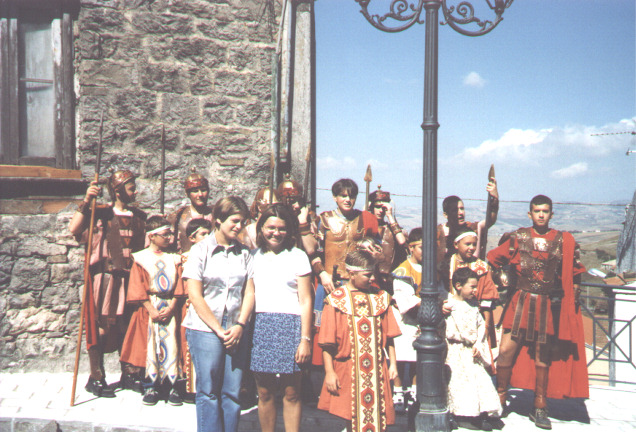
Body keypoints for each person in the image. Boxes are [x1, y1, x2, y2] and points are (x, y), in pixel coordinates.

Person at [487, 195, 588, 430]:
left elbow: (574, 271)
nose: (541, 215)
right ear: (529, 214)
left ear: (551, 214)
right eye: (536, 211)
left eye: (545, 211)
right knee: (505, 351)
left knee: (543, 356)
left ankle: (540, 405)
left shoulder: (563, 240)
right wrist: (502, 279)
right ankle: (500, 397)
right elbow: (493, 259)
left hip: (547, 304)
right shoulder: (517, 238)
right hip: (519, 301)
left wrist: (573, 292)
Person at [69, 169, 146, 397]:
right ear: (119, 190)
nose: (136, 191)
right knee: (102, 328)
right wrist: (87, 200)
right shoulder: (100, 214)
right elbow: (74, 229)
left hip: (131, 279)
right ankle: (96, 376)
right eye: (131, 187)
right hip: (107, 279)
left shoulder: (139, 217)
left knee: (127, 325)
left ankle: (129, 373)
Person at [182, 196, 255, 432]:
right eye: (234, 221)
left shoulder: (245, 253)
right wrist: (217, 329)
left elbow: (249, 293)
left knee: (232, 392)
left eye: (242, 222)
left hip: (235, 327)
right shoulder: (199, 251)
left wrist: (240, 325)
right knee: (208, 390)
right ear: (218, 220)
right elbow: (194, 295)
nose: (239, 226)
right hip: (205, 328)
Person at [318, 250, 400, 432]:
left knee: (379, 417)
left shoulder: (380, 298)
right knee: (352, 415)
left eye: (372, 274)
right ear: (352, 274)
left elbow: (390, 337)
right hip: (347, 368)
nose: (371, 278)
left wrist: (393, 364)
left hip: (377, 369)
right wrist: (329, 372)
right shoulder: (336, 301)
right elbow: (326, 343)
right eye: (367, 275)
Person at [250, 203, 313, 432]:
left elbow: (306, 300)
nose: (276, 233)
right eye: (271, 227)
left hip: (291, 325)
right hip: (261, 325)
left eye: (282, 228)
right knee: (265, 392)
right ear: (261, 228)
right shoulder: (252, 256)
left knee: (291, 392)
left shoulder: (297, 256)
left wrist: (305, 339)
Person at [310, 178, 378, 367]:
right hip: (330, 283)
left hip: (356, 284)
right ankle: (321, 373)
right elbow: (314, 253)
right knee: (324, 330)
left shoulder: (364, 219)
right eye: (343, 196)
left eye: (352, 196)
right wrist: (322, 274)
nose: (348, 200)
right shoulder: (324, 219)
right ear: (335, 197)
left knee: (352, 330)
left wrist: (372, 248)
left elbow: (376, 246)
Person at [119, 216, 186, 406]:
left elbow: (181, 284)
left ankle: (172, 387)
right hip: (149, 308)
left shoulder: (175, 258)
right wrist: (151, 310)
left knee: (172, 345)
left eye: (170, 234)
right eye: (165, 234)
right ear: (152, 236)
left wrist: (172, 307)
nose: (170, 238)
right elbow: (137, 286)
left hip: (170, 307)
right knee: (150, 347)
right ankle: (150, 387)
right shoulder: (140, 259)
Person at [445, 267, 502, 431]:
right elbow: (447, 330)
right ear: (458, 285)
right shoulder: (450, 305)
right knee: (459, 383)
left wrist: (477, 344)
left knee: (480, 382)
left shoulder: (474, 305)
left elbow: (480, 326)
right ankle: (457, 415)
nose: (476, 290)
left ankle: (481, 414)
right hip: (456, 351)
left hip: (472, 351)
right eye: (472, 287)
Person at [440, 229, 499, 348]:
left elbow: (486, 301)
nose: (471, 248)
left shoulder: (482, 268)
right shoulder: (444, 265)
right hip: (450, 319)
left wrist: (486, 328)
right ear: (456, 245)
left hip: (474, 320)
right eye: (467, 244)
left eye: (474, 244)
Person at [179, 218, 212, 404]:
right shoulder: (185, 257)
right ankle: (190, 389)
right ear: (192, 238)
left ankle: (204, 387)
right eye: (203, 234)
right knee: (189, 349)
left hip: (206, 307)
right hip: (189, 306)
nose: (207, 238)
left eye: (209, 234)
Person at [391, 228, 423, 411]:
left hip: (420, 320)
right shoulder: (403, 270)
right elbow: (406, 299)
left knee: (415, 359)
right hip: (405, 318)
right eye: (420, 247)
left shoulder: (429, 268)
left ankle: (413, 390)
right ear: (411, 247)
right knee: (401, 356)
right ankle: (397, 391)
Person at [436, 178, 499, 266]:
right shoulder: (437, 233)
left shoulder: (471, 229)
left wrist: (495, 199)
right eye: (455, 210)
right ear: (446, 215)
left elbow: (490, 220)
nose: (460, 213)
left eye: (462, 208)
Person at [368, 186, 408, 283]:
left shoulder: (392, 229)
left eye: (383, 208)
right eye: (377, 207)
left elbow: (402, 241)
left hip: (387, 278)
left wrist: (390, 216)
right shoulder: (365, 227)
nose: (380, 211)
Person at [168, 170, 213, 253]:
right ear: (188, 194)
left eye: (203, 190)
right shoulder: (178, 216)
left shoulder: (216, 214)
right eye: (195, 191)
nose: (200, 194)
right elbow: (169, 246)